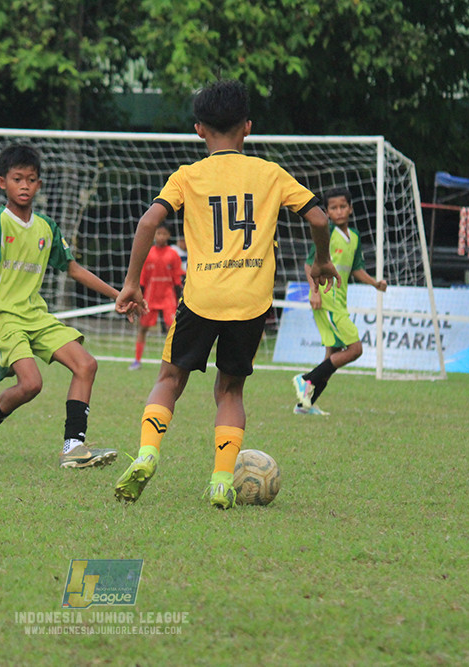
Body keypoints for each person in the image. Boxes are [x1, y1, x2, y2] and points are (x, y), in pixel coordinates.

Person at [113, 80, 338, 509]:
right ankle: (220, 481)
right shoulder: (270, 173)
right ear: (248, 127)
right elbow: (319, 218)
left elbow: (147, 223)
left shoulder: (188, 176)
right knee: (230, 391)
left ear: (199, 129)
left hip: (201, 299)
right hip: (251, 304)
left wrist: (130, 283)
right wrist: (321, 261)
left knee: (169, 380)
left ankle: (146, 454)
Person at [0, 144, 138, 468]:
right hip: (4, 318)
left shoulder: (46, 227)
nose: (25, 185)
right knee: (31, 385)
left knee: (86, 365)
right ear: (3, 183)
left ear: (39, 184)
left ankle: (74, 446)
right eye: (18, 179)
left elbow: (72, 268)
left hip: (35, 314)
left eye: (31, 179)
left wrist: (118, 294)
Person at [291, 188, 387, 416]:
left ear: (351, 208)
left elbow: (356, 269)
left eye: (343, 206)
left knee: (331, 355)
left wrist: (375, 284)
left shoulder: (353, 236)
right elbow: (308, 265)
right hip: (326, 299)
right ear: (326, 212)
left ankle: (305, 405)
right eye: (333, 208)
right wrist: (314, 292)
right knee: (355, 349)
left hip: (340, 300)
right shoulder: (326, 233)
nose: (339, 211)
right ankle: (306, 379)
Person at [129, 221, 183, 370]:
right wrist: (137, 298)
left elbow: (177, 280)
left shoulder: (173, 254)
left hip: (168, 297)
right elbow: (142, 280)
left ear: (169, 235)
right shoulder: (148, 253)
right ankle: (137, 360)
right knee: (143, 328)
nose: (161, 236)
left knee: (172, 329)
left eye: (164, 233)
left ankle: (172, 362)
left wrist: (180, 298)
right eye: (158, 233)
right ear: (154, 235)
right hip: (150, 297)